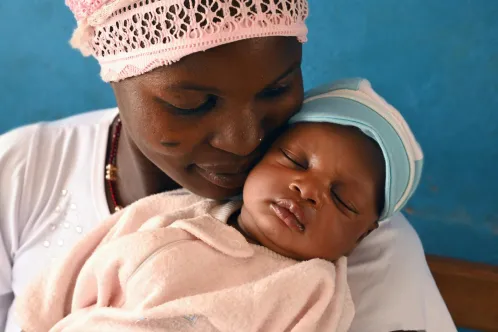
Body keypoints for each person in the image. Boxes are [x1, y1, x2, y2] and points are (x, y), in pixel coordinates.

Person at [0, 0, 456, 331]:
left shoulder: (355, 247)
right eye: (192, 103)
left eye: (275, 90)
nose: (245, 141)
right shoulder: (24, 170)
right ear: (116, 77)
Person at [16, 78, 422, 332]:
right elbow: (63, 281)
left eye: (341, 199)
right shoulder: (170, 213)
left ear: (362, 235)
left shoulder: (315, 294)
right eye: (295, 162)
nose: (307, 189)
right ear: (259, 157)